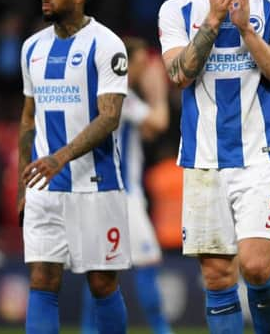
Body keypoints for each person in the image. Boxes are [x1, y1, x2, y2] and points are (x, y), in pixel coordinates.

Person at [157, 0, 270, 333]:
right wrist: (215, 19)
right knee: (218, 277)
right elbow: (179, 75)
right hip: (203, 159)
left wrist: (247, 30)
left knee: (256, 267)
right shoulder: (177, 9)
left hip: (260, 155)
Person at [18, 0, 130, 334]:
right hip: (46, 187)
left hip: (95, 185)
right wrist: (25, 181)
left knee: (102, 283)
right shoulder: (32, 47)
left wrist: (60, 157)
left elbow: (110, 116)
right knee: (42, 279)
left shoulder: (107, 44)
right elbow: (28, 118)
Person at [80, 37, 172, 334]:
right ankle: (161, 330)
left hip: (99, 193)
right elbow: (158, 123)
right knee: (147, 263)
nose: (145, 70)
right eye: (142, 65)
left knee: (99, 270)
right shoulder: (121, 93)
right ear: (127, 64)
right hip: (124, 196)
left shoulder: (103, 91)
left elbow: (144, 134)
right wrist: (158, 92)